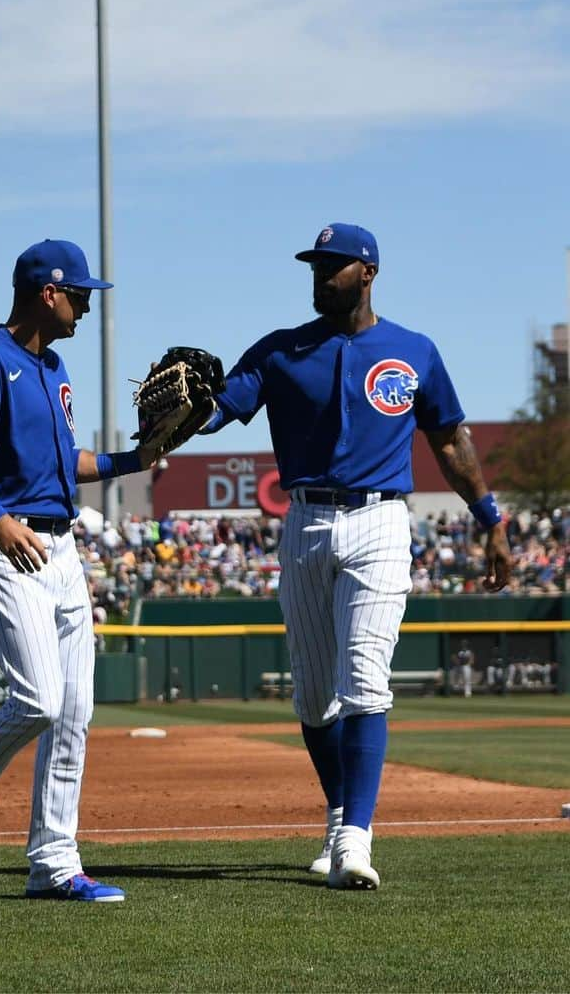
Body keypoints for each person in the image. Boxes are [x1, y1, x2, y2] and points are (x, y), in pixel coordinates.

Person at [200, 222, 510, 889]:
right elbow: (217, 411)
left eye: (334, 266)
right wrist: (189, 410)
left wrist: (491, 518)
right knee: (314, 698)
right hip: (305, 520)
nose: (321, 275)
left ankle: (354, 840)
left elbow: (451, 442)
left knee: (365, 681)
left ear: (368, 273)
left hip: (380, 521)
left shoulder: (413, 350)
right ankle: (340, 810)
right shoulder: (281, 352)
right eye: (315, 265)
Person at [0, 239, 155, 902]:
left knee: (75, 709)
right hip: (6, 543)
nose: (84, 306)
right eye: (79, 294)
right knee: (39, 700)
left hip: (61, 547)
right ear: (47, 292)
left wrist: (138, 457)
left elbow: (69, 463)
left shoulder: (55, 367)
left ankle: (54, 862)